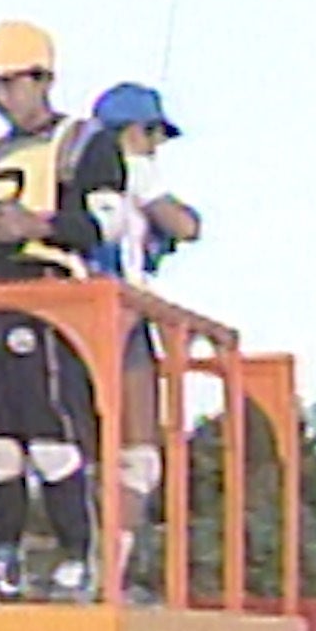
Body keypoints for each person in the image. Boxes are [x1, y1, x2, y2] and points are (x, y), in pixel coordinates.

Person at [0, 20, 128, 602]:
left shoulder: (83, 142)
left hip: (49, 297)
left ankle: (77, 553)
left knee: (50, 431)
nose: (1, 98)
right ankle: (3, 554)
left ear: (42, 79)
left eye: (11, 84)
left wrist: (37, 225)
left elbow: (107, 222)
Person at [86, 82, 202, 598]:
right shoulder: (132, 164)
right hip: (119, 315)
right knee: (136, 452)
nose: (157, 146)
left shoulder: (81, 172)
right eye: (155, 134)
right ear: (137, 130)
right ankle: (107, 571)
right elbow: (184, 222)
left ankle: (90, 566)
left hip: (79, 311)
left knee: (86, 451)